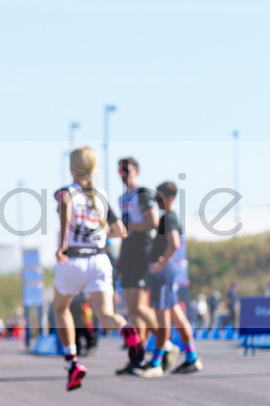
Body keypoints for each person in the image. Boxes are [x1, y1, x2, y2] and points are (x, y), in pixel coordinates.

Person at [52, 147, 141, 391]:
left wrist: (62, 246)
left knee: (60, 308)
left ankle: (72, 362)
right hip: (100, 260)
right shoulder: (101, 195)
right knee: (105, 315)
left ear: (72, 168)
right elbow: (121, 230)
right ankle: (127, 329)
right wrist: (99, 234)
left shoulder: (66, 192)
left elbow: (66, 208)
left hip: (74, 259)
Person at [136, 182, 203, 376]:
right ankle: (191, 358)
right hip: (166, 273)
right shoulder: (168, 218)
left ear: (170, 198)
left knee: (163, 319)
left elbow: (174, 243)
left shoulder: (169, 218)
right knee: (176, 316)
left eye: (159, 197)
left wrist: (160, 263)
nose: (156, 201)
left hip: (163, 274)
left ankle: (156, 363)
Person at [116, 157, 160, 357]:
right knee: (131, 309)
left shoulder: (142, 193)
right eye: (120, 170)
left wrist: (129, 228)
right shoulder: (122, 197)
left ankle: (164, 345)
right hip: (127, 248)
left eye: (127, 169)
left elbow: (153, 222)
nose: (124, 173)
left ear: (136, 171)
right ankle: (138, 354)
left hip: (142, 246)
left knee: (139, 306)